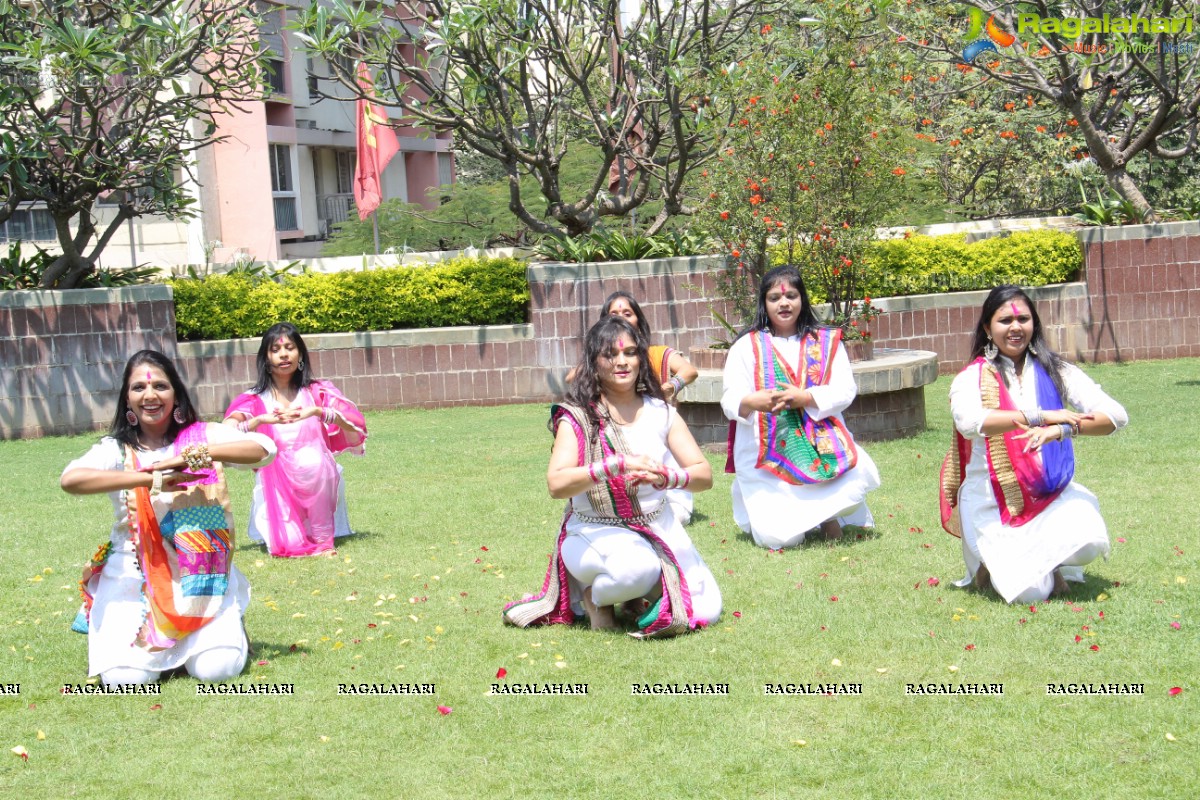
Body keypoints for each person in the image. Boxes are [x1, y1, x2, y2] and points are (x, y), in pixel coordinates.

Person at [61, 350, 276, 687]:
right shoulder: (115, 450)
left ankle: (222, 629)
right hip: (135, 579)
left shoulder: (202, 436)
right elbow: (71, 480)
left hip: (201, 576)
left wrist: (200, 453)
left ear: (175, 393)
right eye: (138, 389)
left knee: (219, 669)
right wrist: (147, 479)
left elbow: (264, 450)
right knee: (124, 682)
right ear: (127, 399)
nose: (150, 396)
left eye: (160, 386)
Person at [504, 316, 721, 637]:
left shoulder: (661, 412)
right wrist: (609, 467)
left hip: (657, 526)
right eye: (610, 354)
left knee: (706, 610)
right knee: (636, 571)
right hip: (593, 531)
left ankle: (632, 595)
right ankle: (596, 597)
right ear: (593, 364)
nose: (622, 361)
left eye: (631, 353)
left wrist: (667, 477)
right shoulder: (578, 417)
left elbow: (703, 474)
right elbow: (556, 484)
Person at [940, 285, 1128, 604]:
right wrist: (1040, 415)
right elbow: (970, 423)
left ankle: (1049, 563)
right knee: (1030, 594)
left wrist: (1061, 431)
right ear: (987, 328)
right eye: (1005, 320)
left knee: (1090, 538)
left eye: (1023, 319)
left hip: (1046, 490)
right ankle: (989, 564)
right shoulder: (971, 378)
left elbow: (1116, 416)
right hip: (992, 498)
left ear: (1034, 324)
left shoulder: (1056, 371)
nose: (1015, 327)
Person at [721, 265, 880, 548]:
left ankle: (828, 516)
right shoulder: (746, 346)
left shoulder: (825, 341)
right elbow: (729, 397)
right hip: (767, 452)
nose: (784, 303)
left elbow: (845, 390)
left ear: (802, 300)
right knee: (780, 539)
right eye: (774, 298)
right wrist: (750, 402)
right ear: (764, 303)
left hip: (819, 444)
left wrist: (806, 398)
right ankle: (809, 515)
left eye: (791, 295)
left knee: (854, 485)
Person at [223, 323, 367, 557]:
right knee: (288, 546)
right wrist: (260, 420)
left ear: (300, 354)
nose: (283, 354)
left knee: (315, 462)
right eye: (275, 349)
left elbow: (354, 421)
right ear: (266, 358)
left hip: (316, 473)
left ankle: (323, 540)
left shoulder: (315, 391)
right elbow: (226, 432)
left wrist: (317, 412)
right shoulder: (254, 399)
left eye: (289, 347)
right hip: (276, 478)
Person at [568, 291, 701, 523]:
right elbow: (572, 377)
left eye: (627, 313)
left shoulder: (655, 353)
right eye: (614, 314)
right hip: (613, 441)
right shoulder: (602, 361)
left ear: (638, 318)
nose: (623, 362)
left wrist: (671, 386)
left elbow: (689, 370)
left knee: (675, 513)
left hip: (660, 436)